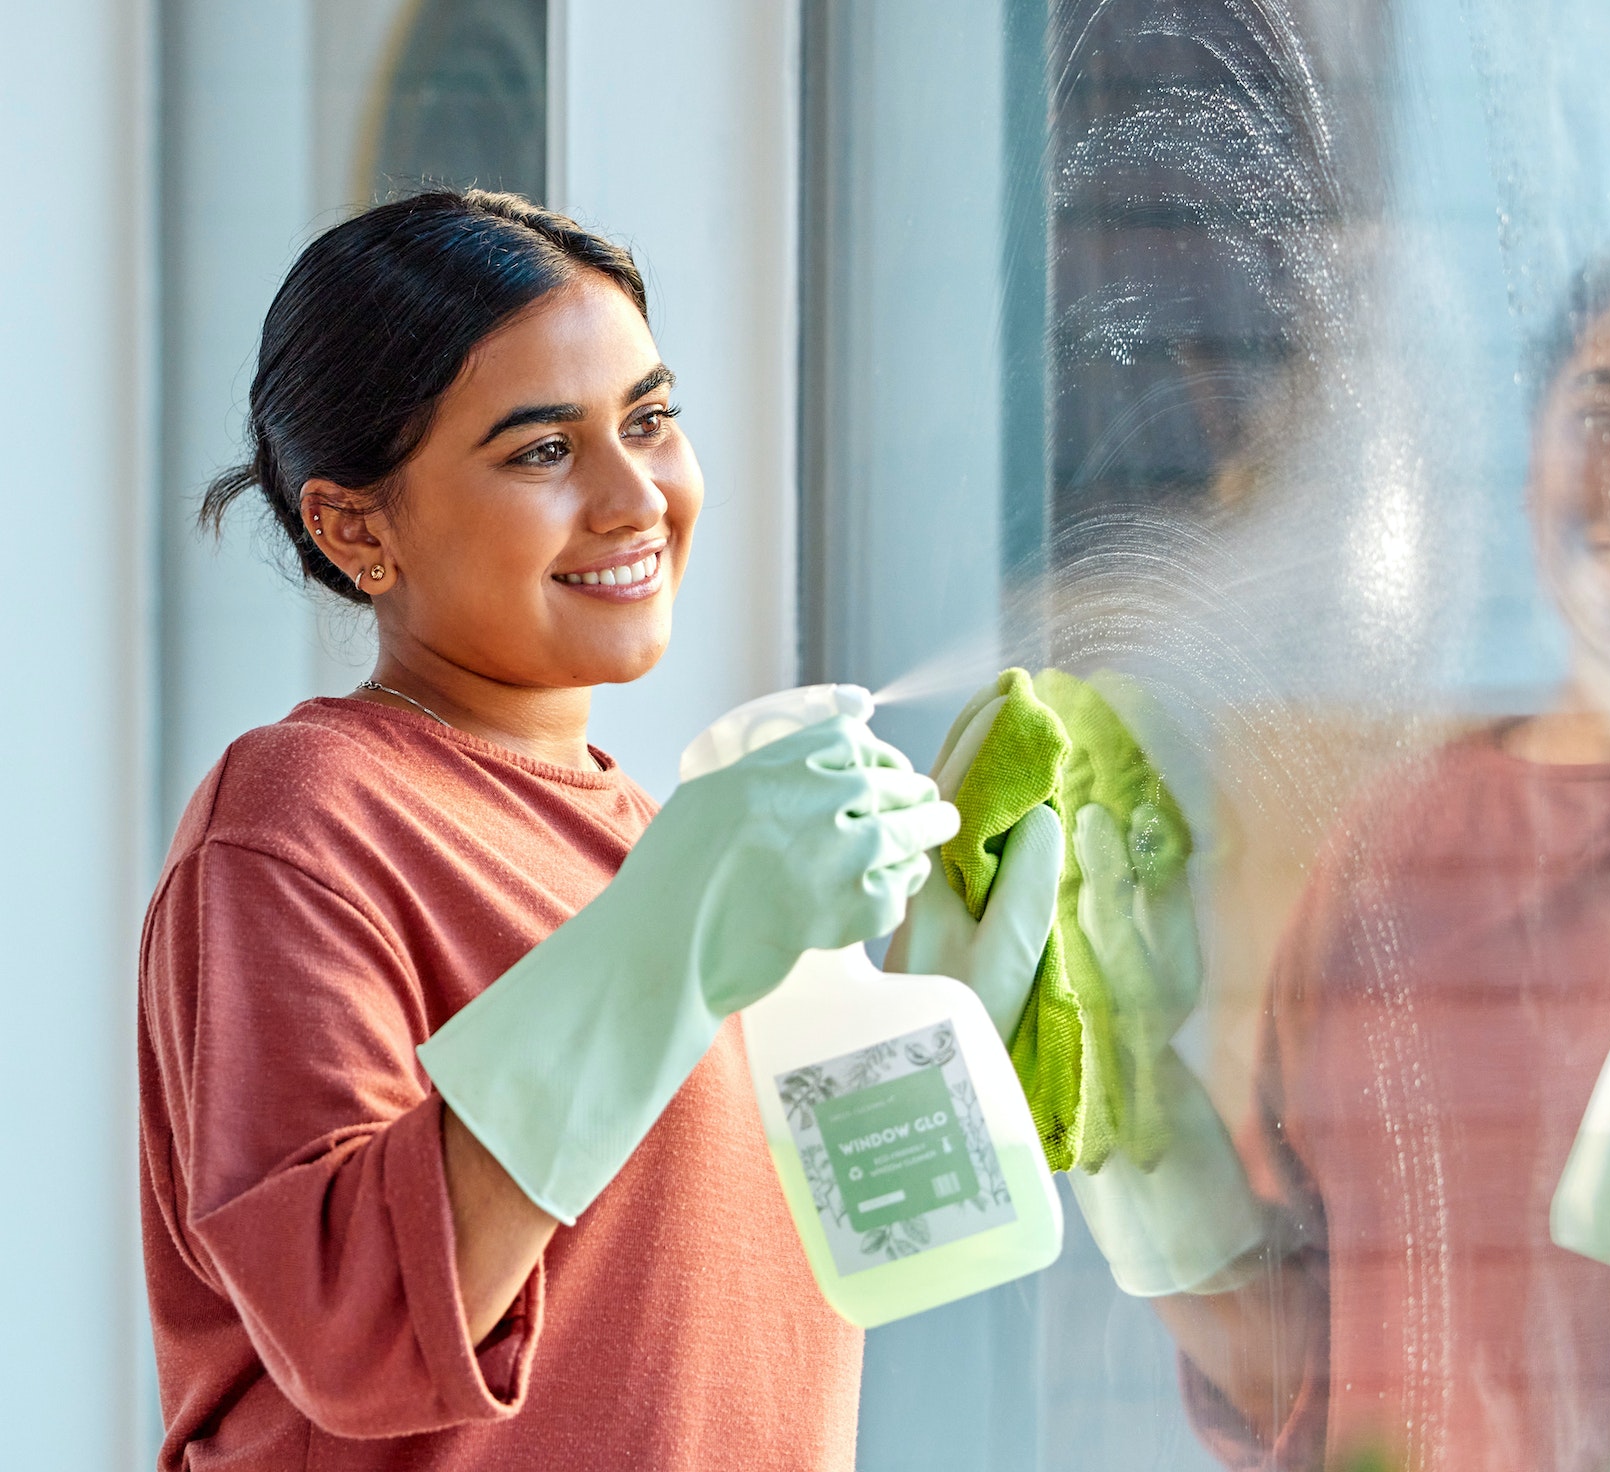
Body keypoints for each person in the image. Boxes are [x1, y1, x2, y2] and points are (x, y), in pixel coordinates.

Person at [137, 189, 1052, 1471]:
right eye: (540, 450)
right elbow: (358, 1325)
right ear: (355, 527)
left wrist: (928, 1043)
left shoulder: (668, 852)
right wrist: (675, 929)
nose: (635, 498)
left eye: (650, 419)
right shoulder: (303, 814)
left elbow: (782, 1298)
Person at [923, 264, 1610, 1470]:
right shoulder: (1405, 840)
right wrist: (1136, 1135)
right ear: (1526, 470)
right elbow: (1294, 1382)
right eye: (1599, 414)